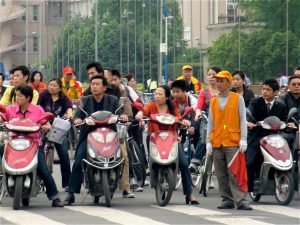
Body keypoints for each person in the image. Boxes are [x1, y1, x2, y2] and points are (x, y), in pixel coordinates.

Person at [65, 76, 133, 205]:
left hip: (110, 136)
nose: (94, 86)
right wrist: (77, 120)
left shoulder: (113, 100)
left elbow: (121, 112)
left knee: (122, 157)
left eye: (97, 84)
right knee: (79, 159)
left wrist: (123, 116)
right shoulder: (84, 101)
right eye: (92, 84)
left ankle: (125, 186)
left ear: (104, 87)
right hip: (89, 135)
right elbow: (77, 115)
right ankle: (71, 193)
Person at [0, 85, 64, 207]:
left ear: (28, 97)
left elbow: (46, 123)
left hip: (34, 144)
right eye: (16, 96)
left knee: (43, 169)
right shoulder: (11, 109)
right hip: (13, 143)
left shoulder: (38, 110)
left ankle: (54, 197)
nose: (17, 98)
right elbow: (2, 118)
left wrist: (46, 126)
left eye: (20, 96)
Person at [135, 85, 199, 205]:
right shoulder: (150, 105)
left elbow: (179, 119)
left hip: (172, 138)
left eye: (160, 94)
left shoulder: (172, 107)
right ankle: (153, 175)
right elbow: (143, 112)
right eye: (156, 94)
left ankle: (189, 193)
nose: (157, 96)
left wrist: (184, 122)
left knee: (184, 164)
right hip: (154, 137)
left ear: (167, 96)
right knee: (151, 150)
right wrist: (140, 116)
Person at [206, 71, 252, 210]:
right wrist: (208, 141)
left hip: (233, 141)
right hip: (217, 141)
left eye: (221, 81)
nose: (218, 83)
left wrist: (243, 139)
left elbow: (243, 120)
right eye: (217, 81)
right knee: (221, 173)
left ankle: (241, 200)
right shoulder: (213, 101)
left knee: (236, 172)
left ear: (228, 82)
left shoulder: (238, 99)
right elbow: (211, 123)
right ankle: (227, 199)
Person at [246, 79, 287, 194]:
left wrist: (288, 124)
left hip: (273, 139)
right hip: (255, 136)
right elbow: (249, 113)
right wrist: (249, 122)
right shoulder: (255, 102)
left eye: (268, 90)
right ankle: (249, 187)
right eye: (263, 89)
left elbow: (284, 120)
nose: (264, 92)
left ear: (275, 92)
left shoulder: (281, 106)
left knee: (282, 160)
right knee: (249, 162)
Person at [38, 78, 72, 190]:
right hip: (44, 126)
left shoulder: (64, 98)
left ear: (59, 88)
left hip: (58, 128)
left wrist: (69, 115)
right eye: (50, 85)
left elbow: (69, 109)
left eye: (54, 85)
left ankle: (67, 184)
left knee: (64, 155)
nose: (51, 87)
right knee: (39, 151)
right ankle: (38, 178)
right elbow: (38, 108)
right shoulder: (43, 95)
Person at [190, 67, 220, 171]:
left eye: (213, 74)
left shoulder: (224, 92)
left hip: (222, 121)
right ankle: (196, 161)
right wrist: (198, 113)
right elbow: (199, 107)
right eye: (209, 74)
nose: (211, 77)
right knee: (204, 134)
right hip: (207, 119)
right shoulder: (204, 93)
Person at [171, 79, 199, 150]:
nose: (175, 94)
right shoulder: (172, 102)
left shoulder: (192, 100)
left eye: (177, 91)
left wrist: (192, 127)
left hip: (192, 123)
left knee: (196, 136)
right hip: (179, 123)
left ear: (184, 91)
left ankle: (197, 158)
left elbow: (196, 114)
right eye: (173, 92)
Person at [278, 74, 300, 156]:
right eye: (294, 84)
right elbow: (280, 115)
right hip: (288, 130)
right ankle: (287, 165)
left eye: (299, 84)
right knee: (283, 139)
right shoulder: (282, 99)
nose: (297, 86)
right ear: (288, 87)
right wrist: (287, 122)